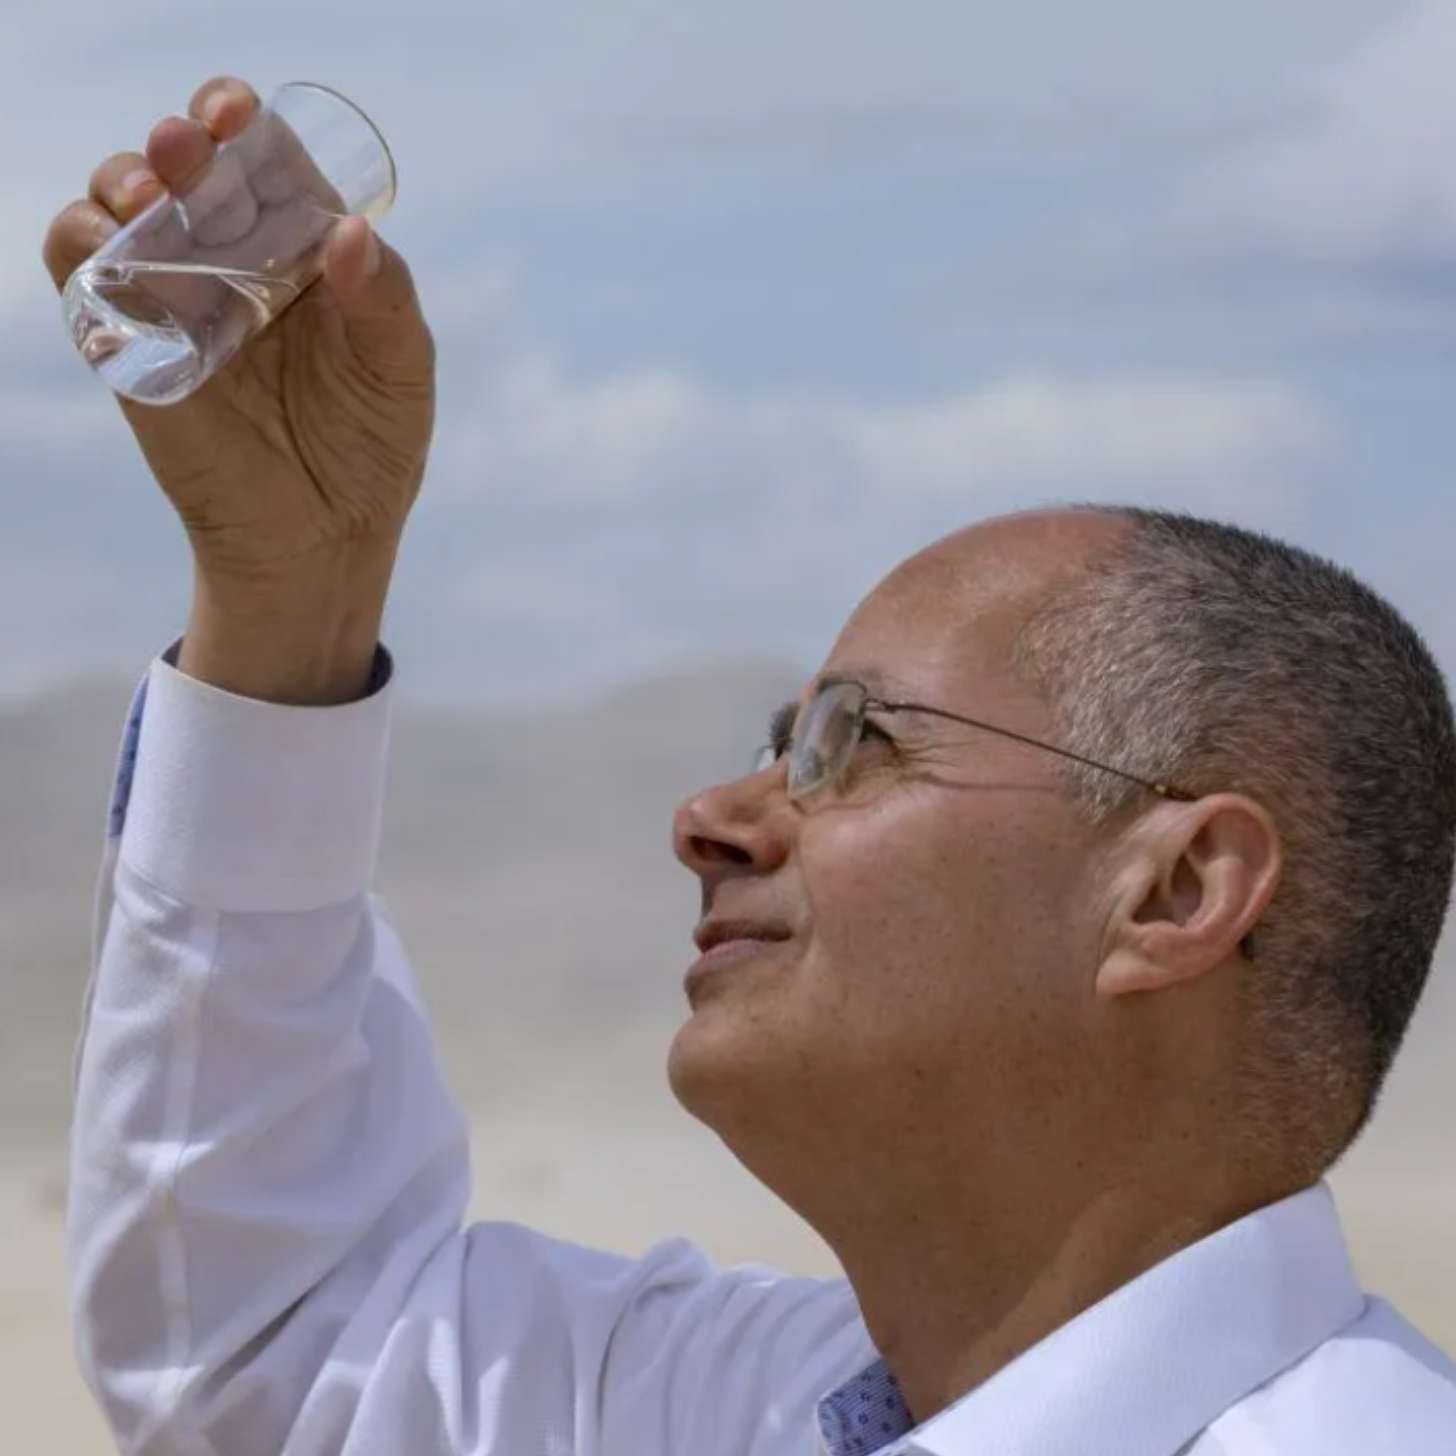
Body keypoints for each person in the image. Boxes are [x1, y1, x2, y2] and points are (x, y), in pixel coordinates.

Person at [45, 75, 1456, 1456]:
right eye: (781, 745)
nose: (710, 821)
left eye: (855, 743)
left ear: (1176, 891)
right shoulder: (750, 1403)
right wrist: (293, 591)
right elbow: (274, 1351)